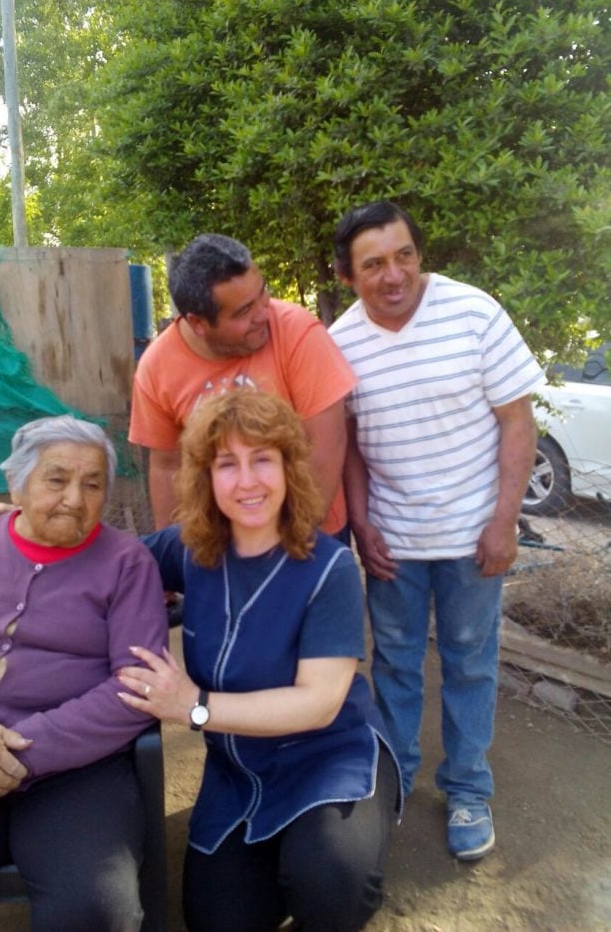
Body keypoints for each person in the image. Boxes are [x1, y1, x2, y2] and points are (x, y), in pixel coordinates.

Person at [117, 389, 402, 932]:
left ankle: (341, 842)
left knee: (332, 883)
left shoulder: (330, 568)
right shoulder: (191, 548)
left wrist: (193, 707)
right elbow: (105, 561)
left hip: (326, 756)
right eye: (228, 464)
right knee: (217, 920)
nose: (247, 481)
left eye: (262, 459)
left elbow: (317, 704)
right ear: (207, 477)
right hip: (238, 769)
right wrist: (7, 527)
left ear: (289, 467)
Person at [328, 200, 545, 861]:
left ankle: (468, 789)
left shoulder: (474, 314)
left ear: (419, 255)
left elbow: (518, 421)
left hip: (474, 538)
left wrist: (504, 521)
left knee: (469, 663)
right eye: (374, 264)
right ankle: (390, 783)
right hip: (394, 541)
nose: (393, 275)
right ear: (346, 274)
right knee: (392, 662)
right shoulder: (339, 342)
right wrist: (362, 524)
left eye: (404, 256)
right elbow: (353, 445)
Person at [0, 415, 168, 931]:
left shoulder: (127, 562)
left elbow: (135, 685)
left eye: (92, 484)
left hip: (75, 773)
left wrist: (13, 751)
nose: (75, 498)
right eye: (56, 479)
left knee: (93, 908)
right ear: (15, 484)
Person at [129, 233, 357, 537]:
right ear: (198, 323)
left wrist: (293, 537)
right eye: (243, 312)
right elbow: (168, 467)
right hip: (219, 544)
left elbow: (326, 445)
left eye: (261, 294)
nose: (264, 313)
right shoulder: (156, 368)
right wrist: (172, 559)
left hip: (309, 531)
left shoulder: (298, 331)